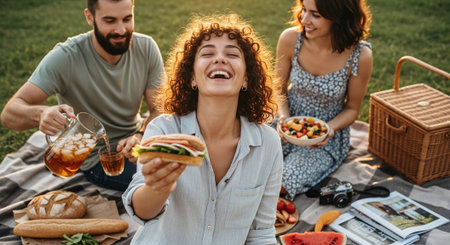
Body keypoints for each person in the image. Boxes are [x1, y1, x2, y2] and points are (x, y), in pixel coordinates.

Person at [122, 14, 283, 244]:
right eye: (207, 53)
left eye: (232, 54)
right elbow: (141, 213)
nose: (219, 58)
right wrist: (157, 188)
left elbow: (261, 232)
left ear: (246, 79)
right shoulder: (164, 130)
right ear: (192, 79)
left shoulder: (268, 143)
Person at [0, 0, 165, 191]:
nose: (121, 30)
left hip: (136, 141)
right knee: (168, 182)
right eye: (109, 21)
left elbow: (159, 108)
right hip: (95, 157)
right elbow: (9, 114)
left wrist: (140, 135)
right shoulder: (66, 57)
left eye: (127, 19)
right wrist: (42, 113)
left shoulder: (146, 47)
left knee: (194, 164)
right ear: (89, 17)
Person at [274, 0, 373, 200]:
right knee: (246, 160)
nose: (304, 19)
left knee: (283, 182)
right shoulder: (290, 39)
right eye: (304, 10)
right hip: (287, 119)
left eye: (315, 15)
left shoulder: (359, 55)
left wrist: (328, 129)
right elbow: (279, 89)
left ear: (339, 17)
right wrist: (283, 117)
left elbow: (352, 109)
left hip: (325, 135)